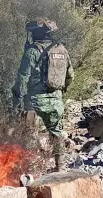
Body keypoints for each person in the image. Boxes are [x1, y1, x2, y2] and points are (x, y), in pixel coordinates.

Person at [12, 18, 74, 172]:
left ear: (36, 33)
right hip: (55, 100)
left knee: (30, 136)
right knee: (57, 133)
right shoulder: (61, 49)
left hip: (34, 102)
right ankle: (60, 166)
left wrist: (17, 100)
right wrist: (59, 92)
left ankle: (30, 171)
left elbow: (22, 78)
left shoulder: (32, 51)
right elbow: (70, 75)